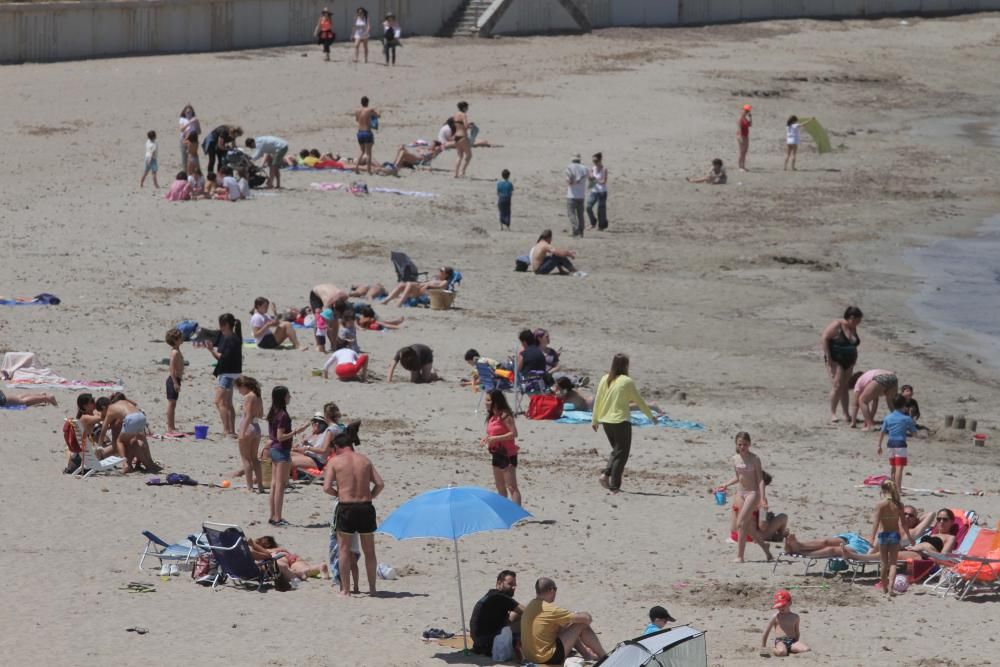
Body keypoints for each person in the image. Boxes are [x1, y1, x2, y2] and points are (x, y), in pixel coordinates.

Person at [322, 422, 384, 597]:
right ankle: (372, 589)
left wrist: (338, 493)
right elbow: (380, 484)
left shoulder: (335, 462)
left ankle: (346, 590)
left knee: (343, 550)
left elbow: (326, 487)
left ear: (338, 447)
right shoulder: (364, 460)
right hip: (365, 507)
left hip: (346, 507)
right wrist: (370, 496)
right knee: (370, 551)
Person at [592, 353, 656, 493]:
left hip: (606, 421)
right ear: (626, 365)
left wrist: (595, 419)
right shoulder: (626, 381)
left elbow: (598, 399)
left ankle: (605, 475)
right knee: (622, 454)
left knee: (616, 452)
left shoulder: (605, 379)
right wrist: (651, 416)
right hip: (620, 421)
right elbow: (639, 401)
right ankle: (614, 485)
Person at [713, 432, 773, 562]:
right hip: (740, 492)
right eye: (740, 444)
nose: (742, 447)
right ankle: (765, 547)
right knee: (747, 526)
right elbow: (738, 477)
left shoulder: (755, 459)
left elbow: (760, 480)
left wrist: (762, 498)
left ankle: (739, 556)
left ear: (749, 444)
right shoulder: (735, 458)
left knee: (740, 523)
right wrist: (725, 484)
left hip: (753, 493)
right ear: (736, 444)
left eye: (745, 444)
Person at [521, 578, 606, 664]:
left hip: (530, 657)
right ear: (551, 590)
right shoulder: (550, 609)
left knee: (565, 626)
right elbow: (587, 619)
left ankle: (587, 654)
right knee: (581, 624)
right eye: (556, 589)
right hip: (546, 658)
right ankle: (604, 656)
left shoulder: (530, 605)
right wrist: (582, 613)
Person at [265, 385, 310, 527]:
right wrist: (297, 431)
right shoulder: (283, 415)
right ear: (283, 397)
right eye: (288, 395)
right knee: (280, 485)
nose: (290, 397)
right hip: (281, 450)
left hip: (274, 450)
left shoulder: (273, 411)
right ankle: (277, 517)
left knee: (274, 484)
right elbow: (280, 436)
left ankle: (273, 515)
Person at [95, 394, 161, 473]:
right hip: (141, 416)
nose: (103, 414)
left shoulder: (110, 409)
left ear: (103, 407)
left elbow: (103, 430)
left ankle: (125, 464)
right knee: (141, 438)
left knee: (119, 441)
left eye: (102, 411)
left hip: (131, 418)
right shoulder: (121, 402)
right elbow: (134, 404)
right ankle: (150, 463)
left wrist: (99, 445)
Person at [821, 306, 863, 423]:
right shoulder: (837, 325)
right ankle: (833, 413)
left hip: (849, 361)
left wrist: (854, 358)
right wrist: (828, 356)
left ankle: (846, 414)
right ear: (851, 318)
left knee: (845, 386)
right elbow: (824, 337)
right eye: (858, 320)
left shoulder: (853, 327)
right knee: (837, 385)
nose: (858, 323)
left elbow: (853, 344)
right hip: (835, 359)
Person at [871, 480, 912, 596]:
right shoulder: (899, 505)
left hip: (883, 535)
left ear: (883, 490)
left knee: (884, 563)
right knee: (893, 563)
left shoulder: (881, 504)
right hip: (894, 535)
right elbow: (904, 523)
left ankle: (884, 587)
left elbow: (876, 523)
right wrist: (909, 537)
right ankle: (891, 589)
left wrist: (872, 537)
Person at [205, 313, 243, 438]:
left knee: (219, 402)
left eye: (221, 325)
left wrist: (211, 350)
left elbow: (222, 357)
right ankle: (231, 430)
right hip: (233, 373)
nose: (220, 328)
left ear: (225, 325)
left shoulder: (229, 339)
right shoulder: (234, 337)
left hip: (227, 374)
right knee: (228, 402)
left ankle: (227, 430)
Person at [470, 570, 524, 657]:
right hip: (488, 643)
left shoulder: (491, 594)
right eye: (510, 584)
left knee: (516, 614)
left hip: (478, 641)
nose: (513, 587)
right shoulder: (500, 597)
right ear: (499, 583)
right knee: (525, 621)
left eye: (515, 585)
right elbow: (526, 611)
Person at [482, 390, 521, 505]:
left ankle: (516, 514)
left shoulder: (505, 415)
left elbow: (514, 434)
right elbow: (494, 433)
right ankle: (504, 511)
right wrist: (487, 438)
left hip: (507, 454)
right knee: (500, 487)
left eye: (489, 400)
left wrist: (495, 439)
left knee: (511, 486)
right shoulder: (492, 416)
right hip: (496, 453)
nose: (486, 402)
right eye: (486, 400)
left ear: (496, 401)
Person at [727, 470, 787, 544]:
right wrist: (766, 516)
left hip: (735, 536)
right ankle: (779, 536)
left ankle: (777, 535)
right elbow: (762, 527)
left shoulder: (738, 493)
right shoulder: (760, 499)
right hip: (750, 537)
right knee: (783, 517)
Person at [878, 395, 918, 491]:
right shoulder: (906, 419)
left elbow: (882, 431)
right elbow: (915, 433)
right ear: (904, 405)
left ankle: (892, 487)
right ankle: (898, 489)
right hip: (900, 444)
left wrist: (879, 445)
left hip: (890, 443)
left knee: (893, 467)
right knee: (899, 467)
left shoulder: (888, 417)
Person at [234, 375, 265, 494]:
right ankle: (260, 486)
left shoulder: (248, 396)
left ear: (244, 386)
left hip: (248, 427)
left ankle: (250, 487)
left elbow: (248, 416)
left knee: (246, 459)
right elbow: (261, 415)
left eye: (239, 389)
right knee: (255, 458)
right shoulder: (258, 396)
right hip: (257, 428)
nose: (239, 391)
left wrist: (241, 432)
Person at [249, 535, 329, 581]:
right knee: (306, 568)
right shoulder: (280, 549)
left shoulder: (266, 550)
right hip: (291, 557)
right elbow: (287, 553)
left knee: (289, 569)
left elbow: (265, 555)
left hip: (279, 558)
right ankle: (319, 567)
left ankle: (297, 573)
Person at [760, 590, 809, 657]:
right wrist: (763, 647)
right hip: (780, 641)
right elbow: (766, 632)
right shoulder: (776, 617)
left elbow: (797, 632)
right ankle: (773, 649)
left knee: (806, 650)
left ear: (790, 603)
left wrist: (796, 642)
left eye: (783, 605)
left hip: (792, 641)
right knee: (781, 652)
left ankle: (789, 649)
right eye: (779, 606)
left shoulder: (795, 617)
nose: (781, 608)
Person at [382, 266, 455, 307]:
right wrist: (421, 283)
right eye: (440, 270)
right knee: (402, 284)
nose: (439, 272)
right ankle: (386, 300)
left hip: (425, 295)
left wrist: (428, 285)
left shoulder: (444, 282)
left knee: (409, 284)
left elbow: (440, 288)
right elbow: (425, 283)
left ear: (447, 275)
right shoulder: (436, 278)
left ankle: (399, 303)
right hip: (420, 289)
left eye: (442, 271)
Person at [164, 328, 184, 433]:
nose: (182, 339)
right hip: (173, 380)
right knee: (171, 404)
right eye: (180, 337)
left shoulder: (177, 350)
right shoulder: (174, 352)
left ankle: (172, 426)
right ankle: (170, 427)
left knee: (173, 404)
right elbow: (171, 368)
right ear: (175, 340)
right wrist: (175, 383)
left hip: (176, 379)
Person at [565, 154, 589, 237]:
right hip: (581, 195)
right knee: (580, 215)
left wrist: (572, 183)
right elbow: (592, 179)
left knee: (571, 214)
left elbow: (569, 181)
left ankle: (576, 230)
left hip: (571, 195)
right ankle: (581, 232)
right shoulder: (585, 168)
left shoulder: (569, 167)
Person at [354, 96, 379, 175]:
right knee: (368, 153)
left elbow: (357, 120)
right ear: (367, 102)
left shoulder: (357, 111)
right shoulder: (369, 110)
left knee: (362, 151)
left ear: (361, 103)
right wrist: (377, 110)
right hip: (367, 132)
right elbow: (378, 115)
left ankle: (356, 168)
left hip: (359, 132)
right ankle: (368, 170)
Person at [587, 152, 608, 230]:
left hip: (602, 192)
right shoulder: (593, 168)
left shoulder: (604, 169)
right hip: (594, 191)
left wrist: (596, 181)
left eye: (595, 161)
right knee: (588, 207)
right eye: (593, 161)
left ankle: (602, 226)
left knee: (600, 209)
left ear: (600, 160)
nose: (594, 162)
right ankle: (593, 222)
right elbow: (590, 180)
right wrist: (590, 178)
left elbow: (604, 181)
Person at [452, 101, 474, 178]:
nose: (467, 109)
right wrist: (471, 126)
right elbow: (466, 126)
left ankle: (456, 173)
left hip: (456, 137)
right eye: (467, 107)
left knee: (459, 155)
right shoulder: (463, 115)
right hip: (462, 136)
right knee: (469, 155)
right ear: (464, 107)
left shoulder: (455, 114)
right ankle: (462, 172)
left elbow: (455, 125)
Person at [737, 104, 752, 171]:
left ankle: (743, 166)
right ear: (742, 110)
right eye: (746, 110)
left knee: (745, 151)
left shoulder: (745, 118)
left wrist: (750, 117)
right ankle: (740, 166)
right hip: (741, 136)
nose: (747, 112)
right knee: (741, 151)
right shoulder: (740, 118)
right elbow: (739, 128)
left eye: (748, 111)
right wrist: (740, 137)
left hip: (745, 136)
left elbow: (750, 125)